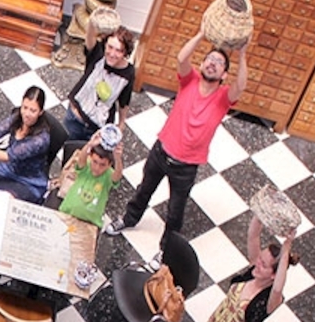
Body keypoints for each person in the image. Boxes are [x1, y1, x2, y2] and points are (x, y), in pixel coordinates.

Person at [105, 29, 249, 251]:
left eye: (219, 62)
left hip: (186, 166)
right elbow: (182, 58)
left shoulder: (223, 98)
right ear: (201, 65)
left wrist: (242, 54)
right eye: (209, 59)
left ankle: (166, 252)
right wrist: (202, 33)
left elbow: (240, 86)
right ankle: (128, 219)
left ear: (224, 75)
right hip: (161, 152)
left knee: (175, 211)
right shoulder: (189, 81)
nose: (212, 63)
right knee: (144, 190)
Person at [62, 19, 135, 141]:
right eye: (110, 47)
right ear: (105, 45)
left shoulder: (128, 73)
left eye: (119, 50)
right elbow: (90, 36)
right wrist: (93, 21)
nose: (112, 53)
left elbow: (124, 100)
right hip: (75, 119)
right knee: (68, 152)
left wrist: (122, 123)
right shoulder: (98, 55)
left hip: (97, 127)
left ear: (125, 52)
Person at [54, 129, 123, 228]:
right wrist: (90, 144)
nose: (97, 167)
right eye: (95, 162)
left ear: (110, 165)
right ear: (90, 157)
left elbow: (117, 177)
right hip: (67, 213)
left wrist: (117, 158)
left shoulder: (108, 175)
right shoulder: (85, 165)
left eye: (102, 165)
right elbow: (81, 159)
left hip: (90, 223)